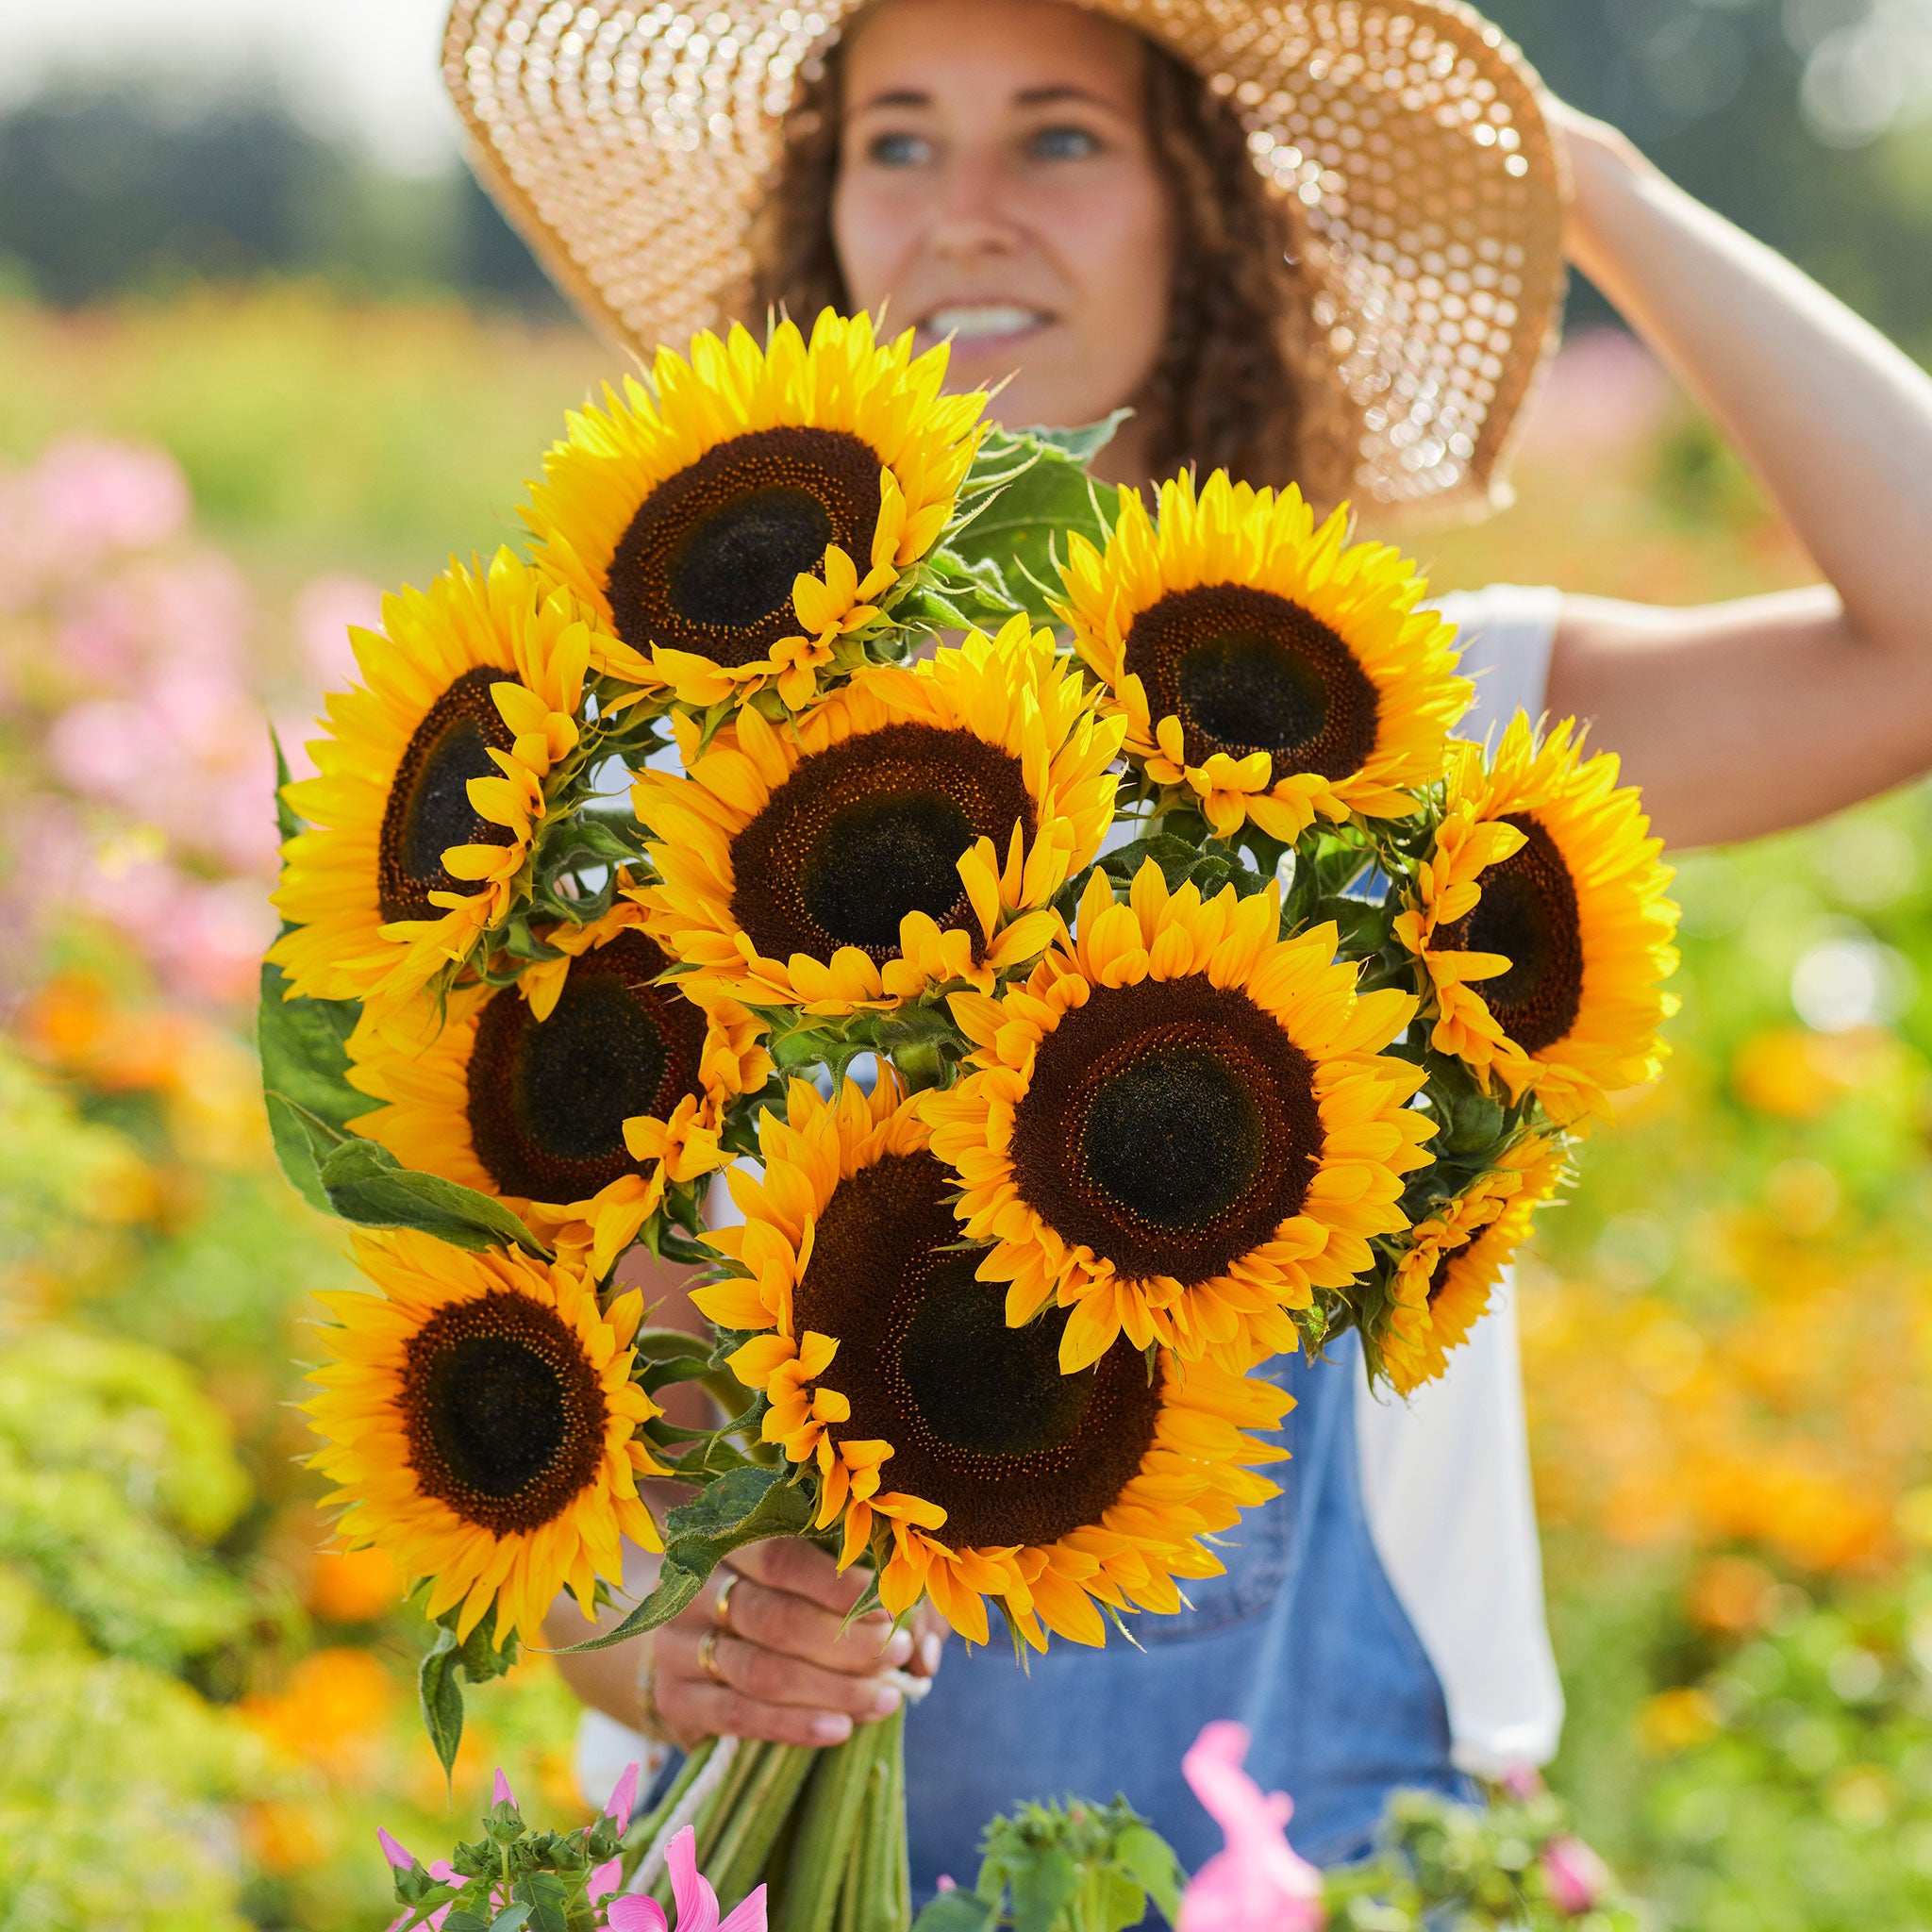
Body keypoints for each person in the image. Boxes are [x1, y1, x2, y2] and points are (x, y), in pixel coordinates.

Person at [441, 0, 1932, 1889]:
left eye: (1056, 137)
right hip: (777, 1878)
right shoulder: (651, 780)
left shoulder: (1417, 731)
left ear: (1209, 218)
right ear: (822, 226)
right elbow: (587, 1464)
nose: (962, 211)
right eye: (896, 142)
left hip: (1317, 1858)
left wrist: (1588, 183)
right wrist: (687, 1656)